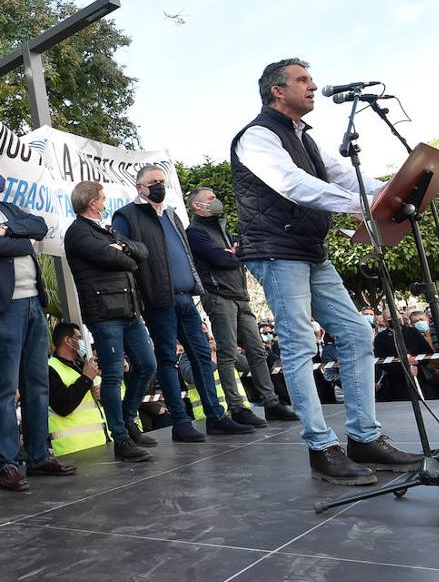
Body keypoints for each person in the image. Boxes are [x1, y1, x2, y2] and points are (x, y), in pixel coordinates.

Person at [230, 58, 422, 485]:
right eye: (302, 80)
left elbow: (346, 177)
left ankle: (364, 439)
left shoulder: (307, 139)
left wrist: (395, 191)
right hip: (276, 251)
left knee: (355, 333)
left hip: (309, 250)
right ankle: (321, 447)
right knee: (299, 346)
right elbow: (291, 184)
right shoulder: (257, 136)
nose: (313, 86)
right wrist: (363, 207)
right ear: (277, 90)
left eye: (311, 79)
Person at [0, 154, 78, 492]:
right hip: (3, 307)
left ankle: (38, 455)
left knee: (38, 383)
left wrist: (7, 230)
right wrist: (19, 240)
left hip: (34, 303)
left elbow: (38, 226)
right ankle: (7, 462)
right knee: (6, 387)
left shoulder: (7, 210)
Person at [113, 167, 255, 443]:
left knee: (202, 355)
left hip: (186, 297)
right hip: (158, 298)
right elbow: (123, 255)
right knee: (167, 358)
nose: (160, 186)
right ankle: (180, 421)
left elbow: (186, 254)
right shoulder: (127, 216)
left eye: (162, 181)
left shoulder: (171, 215)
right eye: (153, 182)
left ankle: (215, 416)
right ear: (140, 187)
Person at [185, 186, 298, 426]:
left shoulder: (224, 230)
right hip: (219, 296)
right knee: (227, 354)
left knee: (257, 351)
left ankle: (271, 402)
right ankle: (237, 407)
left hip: (240, 296)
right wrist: (233, 254)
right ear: (197, 205)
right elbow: (220, 259)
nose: (217, 201)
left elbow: (241, 252)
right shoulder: (195, 232)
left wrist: (233, 252)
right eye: (211, 198)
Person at [63, 181, 156, 461]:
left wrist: (121, 248)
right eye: (102, 198)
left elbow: (141, 252)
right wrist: (122, 253)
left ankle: (128, 420)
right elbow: (114, 258)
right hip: (104, 314)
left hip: (129, 309)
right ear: (92, 202)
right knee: (114, 375)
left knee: (146, 365)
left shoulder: (108, 230)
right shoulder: (78, 232)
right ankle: (121, 438)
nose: (106, 202)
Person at [46, 323, 113, 458]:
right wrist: (86, 379)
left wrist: (102, 394)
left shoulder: (84, 365)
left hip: (102, 443)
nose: (83, 342)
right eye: (79, 338)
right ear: (68, 341)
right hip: (73, 450)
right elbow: (63, 406)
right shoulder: (50, 369)